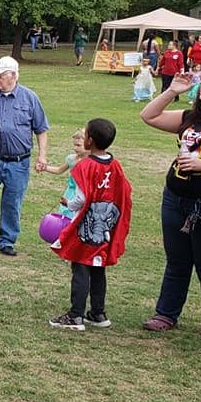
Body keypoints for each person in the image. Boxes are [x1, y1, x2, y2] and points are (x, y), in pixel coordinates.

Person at [48, 119, 132, 331]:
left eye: (85, 135)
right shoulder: (115, 164)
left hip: (85, 228)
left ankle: (75, 316)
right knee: (98, 268)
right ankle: (98, 313)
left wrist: (68, 204)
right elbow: (124, 191)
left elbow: (81, 198)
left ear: (90, 141)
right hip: (105, 227)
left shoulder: (85, 166)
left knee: (80, 267)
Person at [139, 72, 201, 333]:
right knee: (177, 261)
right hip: (176, 199)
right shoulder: (190, 118)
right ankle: (166, 314)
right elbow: (149, 116)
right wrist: (172, 91)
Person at [0, 56, 50, 257]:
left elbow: (41, 129)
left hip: (19, 162)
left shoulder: (30, 98)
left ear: (13, 75)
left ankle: (7, 241)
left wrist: (42, 156)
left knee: (12, 203)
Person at [41, 129, 91, 220]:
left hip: (83, 194)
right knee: (66, 215)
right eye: (74, 145)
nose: (75, 148)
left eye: (78, 145)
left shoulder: (91, 162)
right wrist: (45, 168)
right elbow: (59, 170)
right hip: (70, 193)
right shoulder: (72, 159)